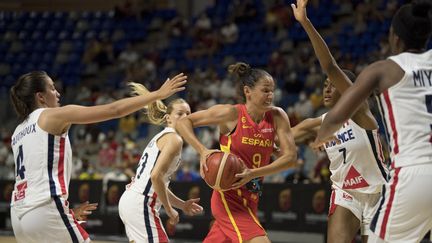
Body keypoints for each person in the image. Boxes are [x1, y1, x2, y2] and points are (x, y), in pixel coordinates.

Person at [9, 71, 186, 243]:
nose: (58, 92)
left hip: (18, 215)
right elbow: (114, 110)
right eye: (52, 88)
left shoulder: (18, 132)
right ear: (40, 97)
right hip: (44, 210)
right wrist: (157, 94)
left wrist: (65, 211)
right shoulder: (51, 115)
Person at [313, 1, 432, 242]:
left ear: (395, 38)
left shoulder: (383, 70)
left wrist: (321, 137)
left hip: (413, 172)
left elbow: (335, 116)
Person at [291, 0, 388, 242]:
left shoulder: (361, 112)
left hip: (379, 192)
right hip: (346, 192)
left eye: (332, 85)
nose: (326, 88)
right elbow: (289, 133)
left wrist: (306, 23)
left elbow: (330, 67)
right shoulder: (320, 122)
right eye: (324, 85)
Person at [176, 62, 297, 243]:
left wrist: (253, 173)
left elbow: (291, 158)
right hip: (228, 198)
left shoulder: (278, 116)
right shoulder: (231, 114)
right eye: (265, 90)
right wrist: (203, 151)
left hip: (251, 199)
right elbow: (182, 123)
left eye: (272, 90)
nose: (270, 95)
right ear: (248, 91)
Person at [118, 84, 203, 243]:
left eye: (188, 113)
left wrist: (182, 205)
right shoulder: (174, 139)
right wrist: (170, 211)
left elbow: (158, 182)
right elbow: (155, 176)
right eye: (180, 113)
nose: (185, 116)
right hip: (141, 203)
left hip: (133, 201)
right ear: (168, 118)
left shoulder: (163, 137)